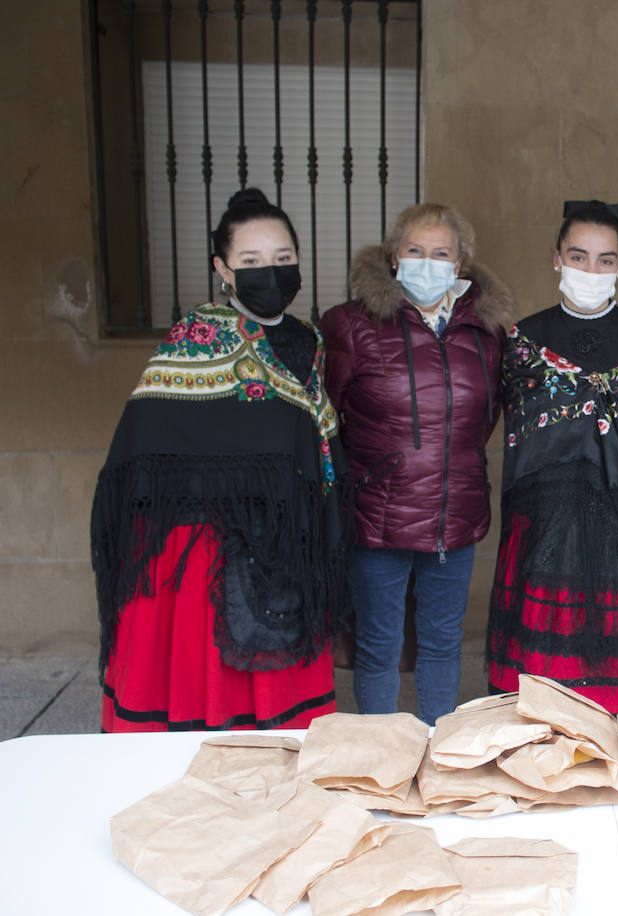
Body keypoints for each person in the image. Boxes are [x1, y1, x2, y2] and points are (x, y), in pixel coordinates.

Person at [92, 188, 348, 732]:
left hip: (287, 537)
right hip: (202, 545)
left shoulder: (309, 340)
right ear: (223, 269)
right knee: (212, 677)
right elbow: (147, 440)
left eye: (283, 259)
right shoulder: (196, 335)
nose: (270, 272)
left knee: (280, 696)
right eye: (251, 262)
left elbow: (312, 435)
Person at [320, 202, 513, 725]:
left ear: (461, 264)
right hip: (379, 515)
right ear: (393, 256)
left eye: (441, 253)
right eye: (415, 251)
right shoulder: (350, 325)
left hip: (456, 513)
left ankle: (438, 753)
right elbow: (326, 418)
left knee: (443, 643)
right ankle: (379, 756)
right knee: (378, 645)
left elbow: (486, 416)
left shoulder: (487, 332)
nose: (428, 263)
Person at [486, 201, 618, 713]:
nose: (592, 271)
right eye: (579, 256)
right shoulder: (523, 340)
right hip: (547, 524)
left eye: (605, 260)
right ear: (557, 259)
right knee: (550, 677)